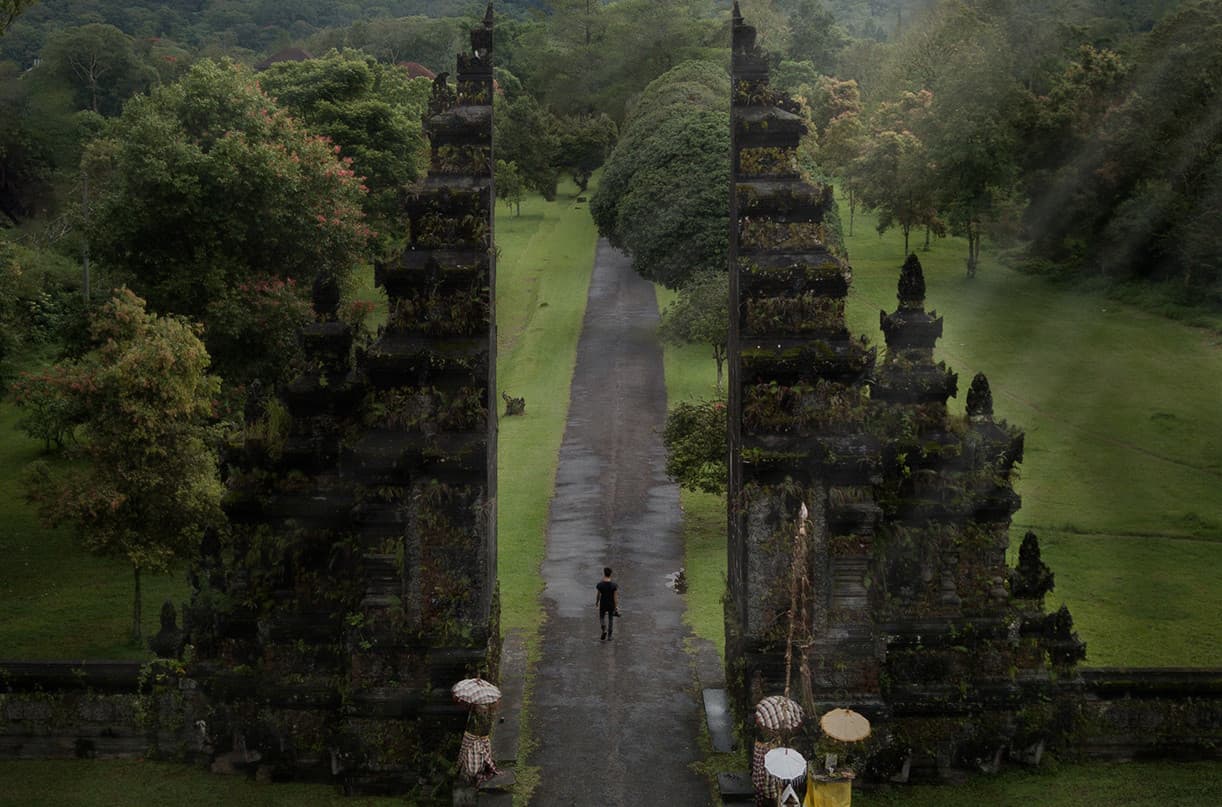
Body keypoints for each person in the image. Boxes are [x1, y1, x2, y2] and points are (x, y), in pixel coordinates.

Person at [595, 566, 619, 641]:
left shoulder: (600, 584)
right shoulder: (614, 585)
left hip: (603, 604)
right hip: (611, 604)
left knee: (602, 617)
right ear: (610, 574)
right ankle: (609, 636)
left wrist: (597, 602)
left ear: (604, 573)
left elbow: (598, 595)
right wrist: (616, 607)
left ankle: (604, 629)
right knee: (610, 619)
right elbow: (615, 597)